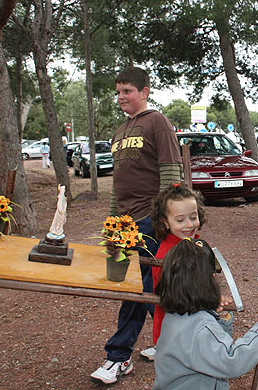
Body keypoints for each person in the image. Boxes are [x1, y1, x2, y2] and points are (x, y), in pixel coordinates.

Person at [91, 67, 182, 385]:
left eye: (127, 91)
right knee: (149, 287)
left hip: (149, 219)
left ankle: (119, 355)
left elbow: (171, 169)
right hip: (125, 223)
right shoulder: (119, 132)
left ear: (145, 91)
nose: (121, 98)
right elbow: (118, 184)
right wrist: (112, 221)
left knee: (138, 287)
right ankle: (172, 339)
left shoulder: (156, 121)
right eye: (118, 92)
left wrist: (165, 220)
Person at [152, 238, 258, 390]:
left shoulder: (177, 316)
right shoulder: (201, 327)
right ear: (206, 281)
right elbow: (231, 361)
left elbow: (211, 349)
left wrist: (220, 319)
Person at [148, 183, 207, 357]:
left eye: (193, 217)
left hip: (194, 325)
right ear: (165, 223)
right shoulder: (167, 256)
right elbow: (173, 297)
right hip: (175, 329)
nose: (189, 225)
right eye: (180, 220)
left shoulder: (195, 244)